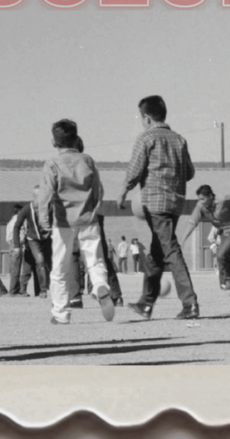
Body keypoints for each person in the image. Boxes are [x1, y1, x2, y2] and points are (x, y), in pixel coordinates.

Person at [120, 95, 199, 321]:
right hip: (176, 202)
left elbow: (135, 169)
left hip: (155, 201)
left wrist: (123, 191)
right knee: (156, 253)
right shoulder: (179, 140)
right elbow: (190, 172)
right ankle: (146, 303)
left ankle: (190, 303)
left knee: (171, 250)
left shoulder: (146, 138)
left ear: (146, 118)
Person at [37, 119, 116, 324]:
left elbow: (45, 194)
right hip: (88, 220)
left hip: (63, 223)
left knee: (60, 269)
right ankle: (101, 287)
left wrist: (44, 220)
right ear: (76, 138)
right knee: (95, 261)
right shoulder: (87, 160)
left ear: (54, 142)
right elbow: (99, 190)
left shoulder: (52, 164)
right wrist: (94, 209)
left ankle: (61, 313)